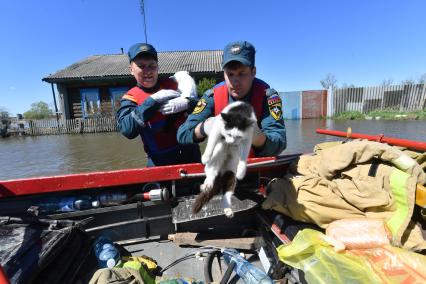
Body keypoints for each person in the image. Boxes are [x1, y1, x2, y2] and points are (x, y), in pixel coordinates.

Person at [177, 41, 286, 157]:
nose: (235, 82)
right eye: (230, 74)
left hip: (257, 168)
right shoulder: (211, 97)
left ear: (253, 72)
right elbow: (182, 134)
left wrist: (256, 136)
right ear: (224, 73)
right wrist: (205, 127)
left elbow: (280, 143)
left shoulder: (267, 96)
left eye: (241, 74)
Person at [117, 43, 201, 166]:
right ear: (131, 70)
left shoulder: (175, 85)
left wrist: (189, 102)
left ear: (158, 67)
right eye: (141, 66)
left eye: (152, 65)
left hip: (191, 155)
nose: (148, 71)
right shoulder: (130, 99)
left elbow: (202, 108)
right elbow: (127, 130)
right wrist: (152, 101)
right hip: (159, 162)